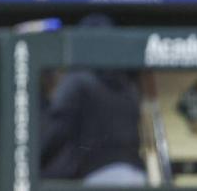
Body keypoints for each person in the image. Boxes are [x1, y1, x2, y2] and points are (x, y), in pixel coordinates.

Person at [41, 15, 146, 185]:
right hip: (135, 175)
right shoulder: (128, 85)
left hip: (97, 176)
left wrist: (34, 161)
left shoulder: (78, 80)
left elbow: (55, 131)